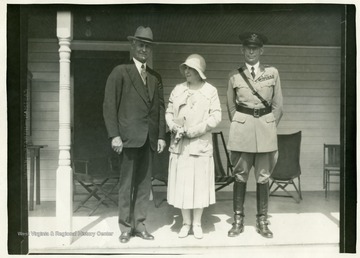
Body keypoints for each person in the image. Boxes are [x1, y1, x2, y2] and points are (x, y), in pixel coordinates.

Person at [103, 26, 166, 243]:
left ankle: (140, 225)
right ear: (133, 46)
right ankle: (125, 228)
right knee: (126, 184)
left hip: (148, 139)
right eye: (141, 45)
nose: (144, 49)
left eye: (147, 46)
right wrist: (114, 135)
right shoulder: (120, 71)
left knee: (143, 185)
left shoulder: (155, 77)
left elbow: (160, 108)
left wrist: (160, 136)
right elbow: (109, 106)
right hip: (128, 140)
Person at [226, 32, 283, 238]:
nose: (251, 50)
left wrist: (267, 125)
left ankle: (262, 221)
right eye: (247, 47)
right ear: (242, 50)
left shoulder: (272, 73)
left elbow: (278, 106)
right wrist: (242, 125)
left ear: (261, 50)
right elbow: (231, 107)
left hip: (265, 132)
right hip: (242, 134)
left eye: (255, 47)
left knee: (263, 177)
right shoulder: (234, 75)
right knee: (240, 175)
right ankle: (238, 219)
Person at [165, 54, 221, 239]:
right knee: (182, 184)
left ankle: (197, 223)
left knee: (199, 185)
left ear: (199, 72)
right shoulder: (178, 89)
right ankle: (185, 222)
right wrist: (174, 127)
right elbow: (168, 112)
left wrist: (195, 130)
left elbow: (216, 117)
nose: (186, 71)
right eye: (185, 68)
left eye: (190, 69)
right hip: (180, 145)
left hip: (200, 145)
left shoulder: (210, 91)